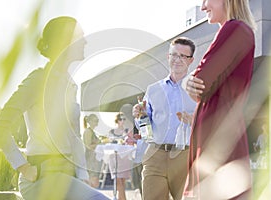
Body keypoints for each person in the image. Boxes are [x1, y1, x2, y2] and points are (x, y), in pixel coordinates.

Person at [0, 16, 110, 200]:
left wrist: (82, 176)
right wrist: (23, 167)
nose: (85, 41)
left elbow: (74, 137)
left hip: (66, 177)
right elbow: (0, 125)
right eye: (80, 36)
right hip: (41, 178)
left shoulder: (71, 86)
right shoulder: (38, 80)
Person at [181, 0, 256, 199]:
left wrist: (188, 81)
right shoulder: (238, 30)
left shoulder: (233, 28)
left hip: (216, 135)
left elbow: (200, 84)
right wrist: (189, 82)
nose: (203, 6)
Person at [132, 37, 197, 200]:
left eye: (183, 56)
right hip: (155, 154)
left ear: (191, 60)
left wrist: (194, 120)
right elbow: (144, 127)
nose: (178, 59)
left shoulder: (199, 88)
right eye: (174, 55)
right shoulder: (153, 90)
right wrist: (140, 115)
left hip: (186, 155)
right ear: (168, 57)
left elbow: (211, 122)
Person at [108, 112, 133, 200]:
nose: (122, 121)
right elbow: (109, 143)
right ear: (117, 121)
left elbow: (131, 143)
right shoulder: (112, 131)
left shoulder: (127, 131)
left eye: (123, 119)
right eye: (120, 119)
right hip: (114, 157)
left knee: (122, 181)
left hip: (124, 158)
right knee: (117, 180)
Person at [83, 114, 102, 188]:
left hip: (93, 159)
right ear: (90, 121)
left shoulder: (91, 131)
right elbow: (88, 146)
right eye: (95, 121)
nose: (97, 122)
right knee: (92, 181)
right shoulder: (88, 131)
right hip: (90, 159)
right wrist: (99, 143)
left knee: (94, 181)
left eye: (97, 120)